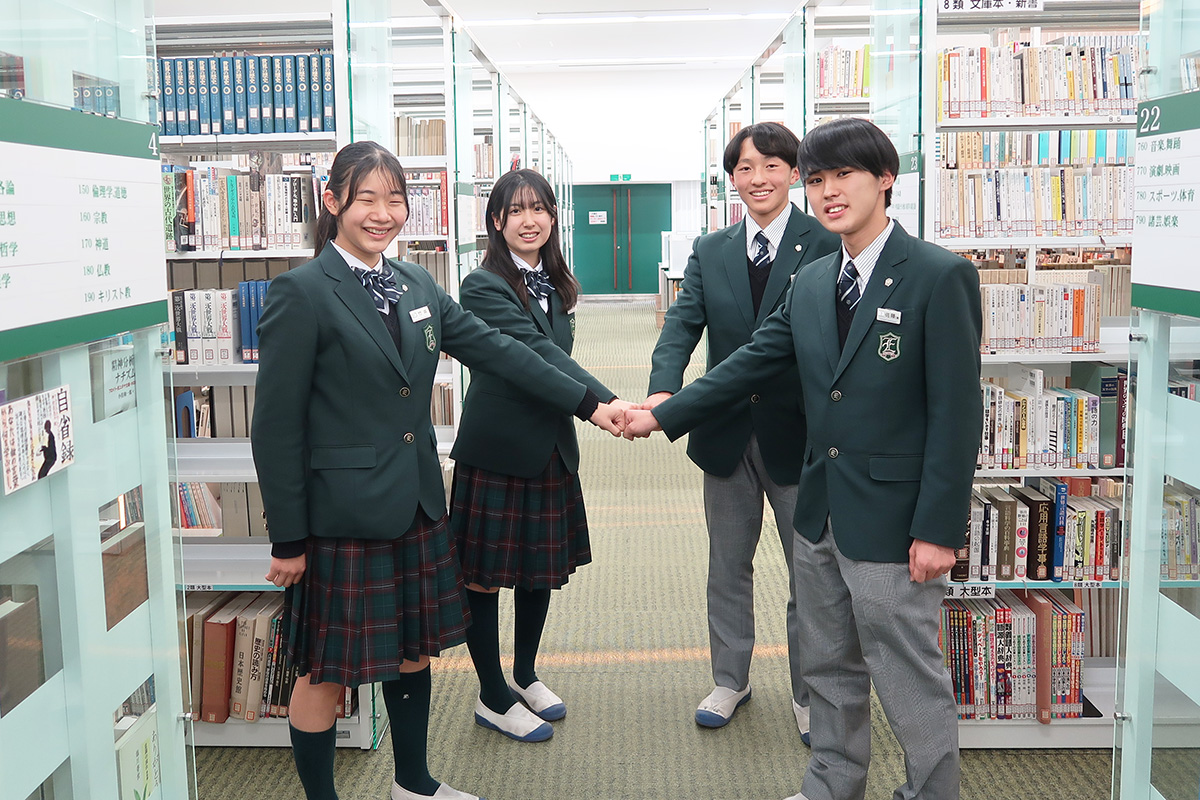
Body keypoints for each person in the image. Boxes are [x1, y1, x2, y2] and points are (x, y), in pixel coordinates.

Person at [250, 141, 625, 800]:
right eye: (366, 198)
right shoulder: (300, 293)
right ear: (332, 201)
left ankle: (414, 785)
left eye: (395, 199)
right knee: (324, 671)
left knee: (413, 649)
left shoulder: (416, 284)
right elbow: (276, 428)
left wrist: (592, 404)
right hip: (341, 512)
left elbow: (500, 350)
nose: (383, 213)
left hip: (417, 499)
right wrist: (288, 538)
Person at [625, 117, 982, 800]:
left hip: (893, 518)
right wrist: (661, 413)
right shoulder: (816, 280)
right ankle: (831, 784)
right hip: (819, 506)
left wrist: (940, 528)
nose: (828, 192)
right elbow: (751, 361)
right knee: (828, 665)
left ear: (885, 179)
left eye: (843, 175)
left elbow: (957, 414)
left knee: (907, 673)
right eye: (818, 180)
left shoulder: (939, 276)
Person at [645, 121, 838, 737]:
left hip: (800, 435)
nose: (759, 179)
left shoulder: (827, 241)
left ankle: (810, 692)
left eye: (772, 166)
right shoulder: (711, 249)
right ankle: (730, 679)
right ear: (731, 179)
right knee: (727, 566)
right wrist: (663, 388)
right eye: (746, 169)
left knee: (810, 573)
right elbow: (683, 324)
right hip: (725, 432)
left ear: (794, 174)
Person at [450, 168, 629, 743]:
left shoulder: (553, 281)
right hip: (499, 451)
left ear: (553, 216)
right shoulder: (482, 286)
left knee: (537, 572)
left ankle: (525, 674)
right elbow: (531, 355)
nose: (530, 221)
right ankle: (492, 693)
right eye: (516, 211)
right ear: (495, 221)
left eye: (540, 209)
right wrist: (600, 406)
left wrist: (606, 401)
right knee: (484, 578)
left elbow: (559, 360)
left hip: (549, 446)